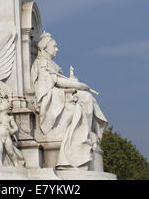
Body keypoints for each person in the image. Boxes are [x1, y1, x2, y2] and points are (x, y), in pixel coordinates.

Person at [31, 32, 108, 169]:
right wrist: (78, 85)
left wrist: (74, 84)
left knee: (87, 99)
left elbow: (58, 81)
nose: (57, 49)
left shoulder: (50, 63)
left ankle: (87, 136)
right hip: (50, 101)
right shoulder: (42, 63)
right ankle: (83, 139)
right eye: (54, 46)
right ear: (44, 48)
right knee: (85, 98)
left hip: (58, 97)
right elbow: (52, 83)